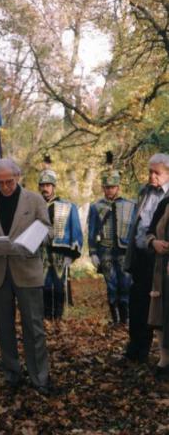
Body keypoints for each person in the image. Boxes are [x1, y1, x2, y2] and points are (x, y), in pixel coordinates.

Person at [0, 158, 52, 395]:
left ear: (17, 177)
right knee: (4, 328)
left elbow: (48, 230)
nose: (5, 187)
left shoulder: (34, 199)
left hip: (27, 270)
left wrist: (33, 240)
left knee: (34, 327)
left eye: (9, 181)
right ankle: (12, 375)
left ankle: (40, 378)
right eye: (0, 183)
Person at [123, 154, 169, 363]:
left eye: (156, 172)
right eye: (149, 171)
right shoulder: (144, 192)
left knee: (161, 305)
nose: (151, 176)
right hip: (142, 253)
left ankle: (163, 357)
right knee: (138, 303)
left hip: (163, 258)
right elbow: (138, 223)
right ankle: (136, 351)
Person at [88, 169, 136, 324]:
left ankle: (126, 318)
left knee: (126, 284)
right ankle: (115, 319)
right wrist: (93, 252)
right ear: (103, 188)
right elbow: (92, 230)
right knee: (112, 285)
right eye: (107, 187)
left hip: (125, 252)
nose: (110, 190)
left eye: (112, 187)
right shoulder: (96, 207)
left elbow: (135, 230)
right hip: (105, 251)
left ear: (118, 187)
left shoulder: (130, 205)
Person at [38, 169, 83, 320]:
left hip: (60, 253)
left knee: (58, 285)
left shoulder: (68, 206)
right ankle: (46, 316)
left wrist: (72, 254)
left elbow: (75, 230)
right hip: (41, 252)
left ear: (53, 186)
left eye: (48, 185)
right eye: (42, 185)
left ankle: (58, 317)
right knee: (43, 285)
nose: (45, 188)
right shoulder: (35, 207)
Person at [146, 196, 169, 379]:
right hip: (162, 268)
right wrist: (154, 242)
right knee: (161, 313)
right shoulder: (165, 202)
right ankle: (164, 360)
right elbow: (150, 231)